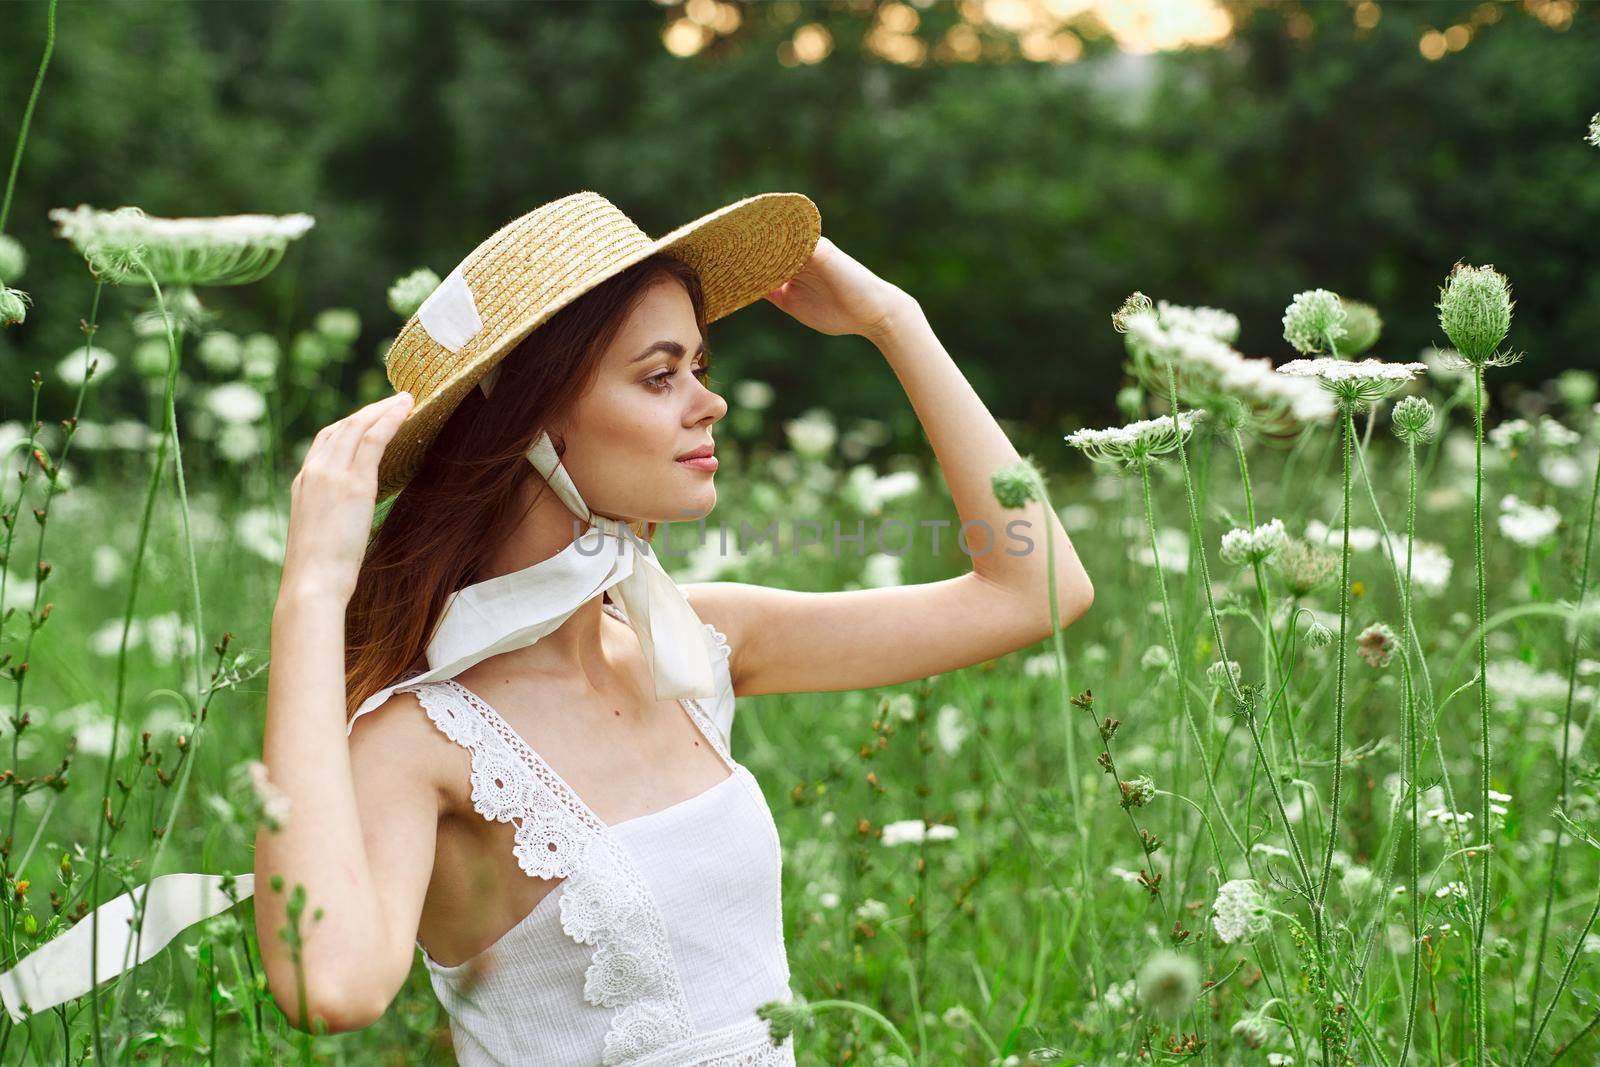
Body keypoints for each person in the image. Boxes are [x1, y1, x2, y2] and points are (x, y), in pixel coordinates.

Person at [0, 190, 1094, 1065]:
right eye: (660, 375)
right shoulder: (420, 743)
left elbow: (1033, 589)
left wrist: (893, 324)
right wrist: (309, 595)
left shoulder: (692, 640)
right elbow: (327, 988)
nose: (707, 402)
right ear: (533, 429)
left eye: (697, 368)